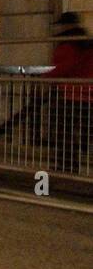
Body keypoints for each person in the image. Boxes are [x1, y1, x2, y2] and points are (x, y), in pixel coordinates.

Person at [47, 12, 93, 174]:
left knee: (64, 132)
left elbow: (65, 67)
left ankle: (67, 166)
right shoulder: (86, 43)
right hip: (87, 94)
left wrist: (46, 75)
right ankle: (69, 165)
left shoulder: (69, 43)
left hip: (71, 94)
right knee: (79, 131)